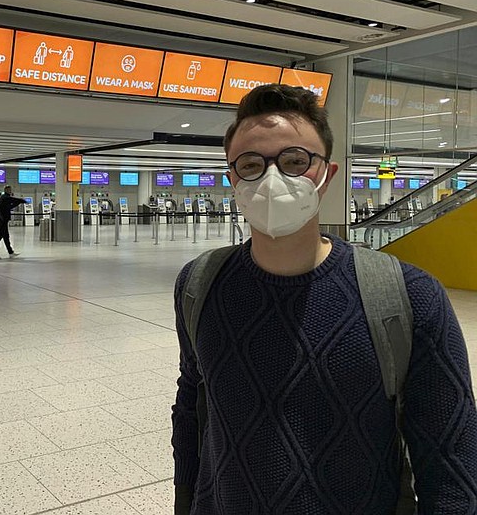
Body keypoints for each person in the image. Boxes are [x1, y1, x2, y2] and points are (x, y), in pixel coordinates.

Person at [172, 84, 477, 514]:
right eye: (251, 164)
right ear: (233, 180)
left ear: (327, 175)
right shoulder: (200, 284)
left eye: (295, 161)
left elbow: (450, 461)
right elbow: (192, 409)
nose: (273, 178)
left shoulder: (409, 296)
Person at [0, 185, 25, 259]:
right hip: (2, 220)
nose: (10, 191)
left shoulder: (5, 198)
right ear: (5, 190)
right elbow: (12, 200)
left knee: (6, 237)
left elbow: (10, 206)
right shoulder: (5, 197)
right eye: (9, 190)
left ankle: (10, 252)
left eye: (10, 189)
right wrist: (20, 201)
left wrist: (19, 202)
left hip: (4, 220)